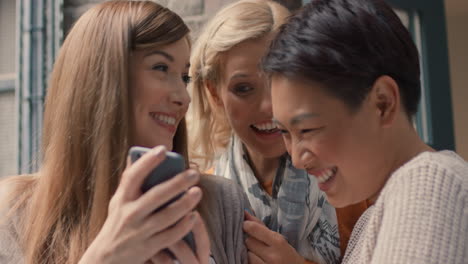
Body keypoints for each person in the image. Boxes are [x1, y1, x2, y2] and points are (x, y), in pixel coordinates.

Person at [0, 1, 249, 263]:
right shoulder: (13, 211)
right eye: (161, 68)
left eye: (184, 77)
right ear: (100, 78)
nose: (183, 98)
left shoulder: (220, 202)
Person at [263, 0, 468, 263]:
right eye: (284, 132)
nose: (297, 159)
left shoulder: (427, 184)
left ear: (383, 103)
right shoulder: (381, 210)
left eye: (307, 129)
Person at [189, 1, 368, 263]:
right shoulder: (201, 198)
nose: (269, 107)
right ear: (215, 93)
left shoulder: (356, 183)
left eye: (280, 81)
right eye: (243, 88)